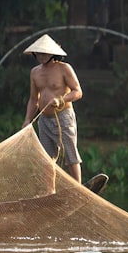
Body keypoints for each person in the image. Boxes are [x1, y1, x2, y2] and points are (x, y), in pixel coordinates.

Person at [22, 34, 84, 183]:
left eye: (44, 53)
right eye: (38, 53)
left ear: (52, 53)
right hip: (44, 119)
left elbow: (78, 92)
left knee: (70, 154)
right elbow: (33, 99)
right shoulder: (35, 72)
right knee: (46, 158)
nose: (41, 56)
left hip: (63, 117)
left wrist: (61, 100)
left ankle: (78, 188)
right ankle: (50, 191)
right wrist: (27, 120)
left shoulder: (64, 68)